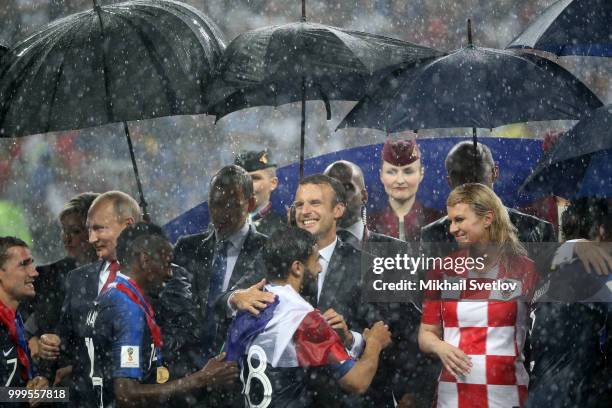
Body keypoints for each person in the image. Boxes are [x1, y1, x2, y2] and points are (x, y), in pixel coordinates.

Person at [221, 174, 376, 407]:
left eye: (315, 203)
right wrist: (236, 297)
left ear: (338, 209)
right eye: (299, 204)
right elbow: (223, 304)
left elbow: (387, 329)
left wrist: (350, 338)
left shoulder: (369, 264)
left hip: (339, 401)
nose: (304, 211)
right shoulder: (272, 255)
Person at [225, 226, 392, 407]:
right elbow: (358, 382)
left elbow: (229, 369)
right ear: (297, 268)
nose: (319, 268)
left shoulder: (247, 308)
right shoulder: (304, 319)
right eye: (315, 260)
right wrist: (375, 342)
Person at [83, 222, 238, 407]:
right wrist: (201, 379)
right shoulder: (128, 309)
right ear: (145, 260)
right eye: (166, 264)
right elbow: (126, 394)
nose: (170, 274)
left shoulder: (108, 295)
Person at [324, 160, 436, 407]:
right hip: (319, 392)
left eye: (347, 187)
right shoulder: (307, 253)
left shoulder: (395, 252)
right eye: (331, 189)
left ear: (364, 195)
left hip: (377, 389)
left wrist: (414, 391)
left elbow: (411, 329)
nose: (339, 195)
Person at [419, 183, 538, 408]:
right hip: (451, 398)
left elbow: (545, 330)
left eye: (459, 219)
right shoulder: (442, 269)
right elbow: (426, 333)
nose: (452, 228)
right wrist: (439, 346)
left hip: (508, 397)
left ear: (487, 218)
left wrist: (574, 246)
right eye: (450, 221)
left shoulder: (526, 269)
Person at [173, 165, 267, 406]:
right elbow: (177, 308)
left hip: (239, 381)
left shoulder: (268, 251)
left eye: (231, 205)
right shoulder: (186, 248)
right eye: (215, 204)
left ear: (250, 204)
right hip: (188, 380)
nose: (221, 213)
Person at [527, 198, 612, 408]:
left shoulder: (545, 278)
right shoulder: (596, 275)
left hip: (541, 397)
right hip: (578, 398)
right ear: (601, 232)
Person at [25, 192, 99, 358]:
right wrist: (31, 341)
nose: (66, 238)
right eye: (64, 230)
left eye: (75, 231)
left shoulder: (116, 277)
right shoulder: (46, 276)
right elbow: (19, 321)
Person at [0, 237, 48, 398]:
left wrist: (41, 384)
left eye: (31, 263)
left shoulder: (14, 320)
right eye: (23, 264)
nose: (34, 272)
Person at [368, 139, 441, 241]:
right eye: (391, 172)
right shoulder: (368, 226)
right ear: (381, 175)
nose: (400, 180)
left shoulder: (440, 222)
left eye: (408, 171)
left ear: (421, 173)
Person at [234, 150, 286, 237]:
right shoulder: (220, 228)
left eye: (254, 178)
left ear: (273, 183)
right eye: (240, 179)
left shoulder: (284, 230)